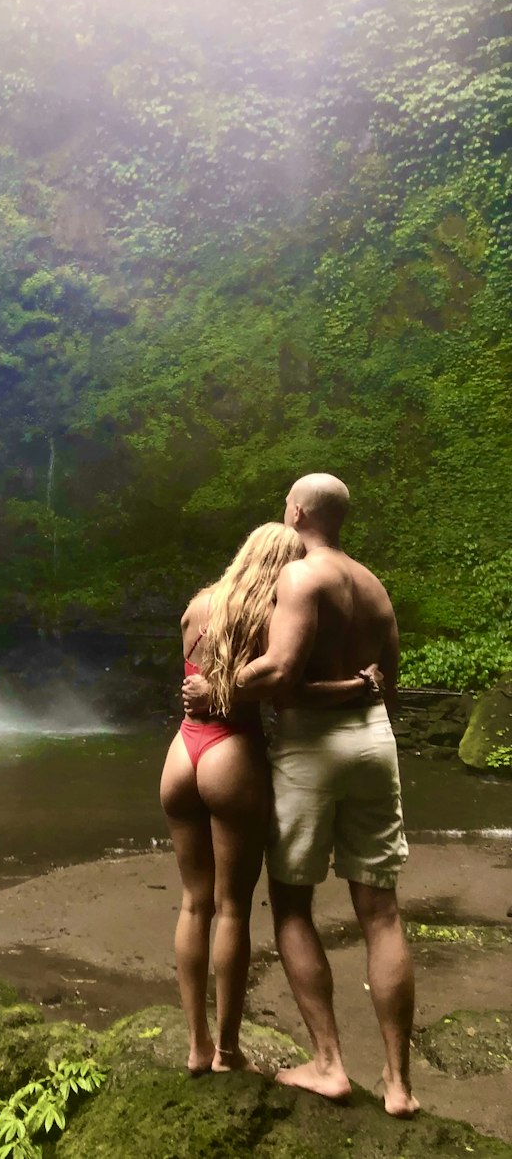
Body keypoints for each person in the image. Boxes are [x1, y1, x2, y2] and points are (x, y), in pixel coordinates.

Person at [227, 473, 418, 1118]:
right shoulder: (373, 585)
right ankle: (399, 1085)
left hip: (313, 747)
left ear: (296, 510)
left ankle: (330, 1064)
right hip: (376, 742)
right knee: (381, 912)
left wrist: (225, 675)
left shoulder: (300, 577)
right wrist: (363, 709)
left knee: (291, 903)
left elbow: (279, 673)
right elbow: (387, 682)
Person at [161, 523, 377, 1075]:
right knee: (232, 908)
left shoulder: (199, 606)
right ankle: (227, 1054)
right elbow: (283, 688)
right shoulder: (268, 619)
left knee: (193, 902)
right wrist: (358, 685)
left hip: (182, 753)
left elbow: (193, 677)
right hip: (231, 752)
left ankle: (195, 1046)